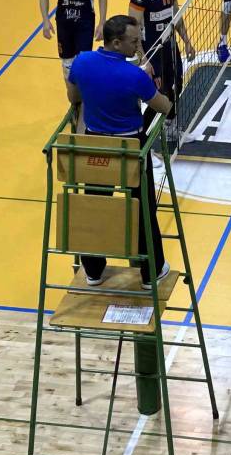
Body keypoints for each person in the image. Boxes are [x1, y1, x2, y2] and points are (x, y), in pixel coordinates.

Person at [67, 15, 173, 289]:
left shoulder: (82, 61)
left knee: (96, 205)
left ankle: (93, 271)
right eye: (134, 42)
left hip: (96, 146)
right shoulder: (134, 76)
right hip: (130, 148)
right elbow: (163, 106)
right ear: (116, 43)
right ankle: (151, 272)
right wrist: (149, 83)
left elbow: (74, 97)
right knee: (143, 208)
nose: (137, 46)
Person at [129, 0, 195, 142]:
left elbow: (175, 15)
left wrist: (187, 42)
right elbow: (133, 29)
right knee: (158, 94)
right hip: (152, 50)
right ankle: (140, 137)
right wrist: (144, 59)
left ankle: (170, 127)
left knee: (177, 84)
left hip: (170, 46)